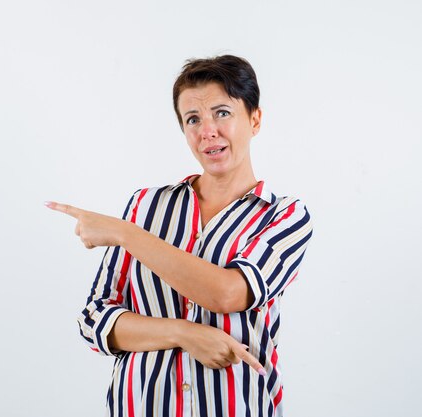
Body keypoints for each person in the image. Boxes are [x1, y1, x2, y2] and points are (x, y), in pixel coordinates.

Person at [45, 55, 313, 417]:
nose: (207, 132)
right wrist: (184, 333)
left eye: (222, 113)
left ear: (255, 119)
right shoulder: (147, 206)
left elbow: (228, 292)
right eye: (193, 119)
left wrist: (125, 234)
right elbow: (95, 318)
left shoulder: (284, 215)